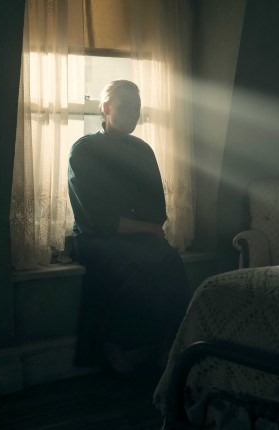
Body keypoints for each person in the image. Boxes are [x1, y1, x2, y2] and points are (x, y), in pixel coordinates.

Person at [68, 79, 192, 375]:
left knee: (170, 261)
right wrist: (144, 227)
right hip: (96, 237)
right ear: (105, 108)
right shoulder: (85, 149)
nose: (133, 114)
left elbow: (156, 209)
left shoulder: (143, 150)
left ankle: (167, 342)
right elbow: (96, 217)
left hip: (139, 234)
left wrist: (146, 227)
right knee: (127, 269)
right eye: (125, 107)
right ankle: (112, 344)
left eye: (137, 107)